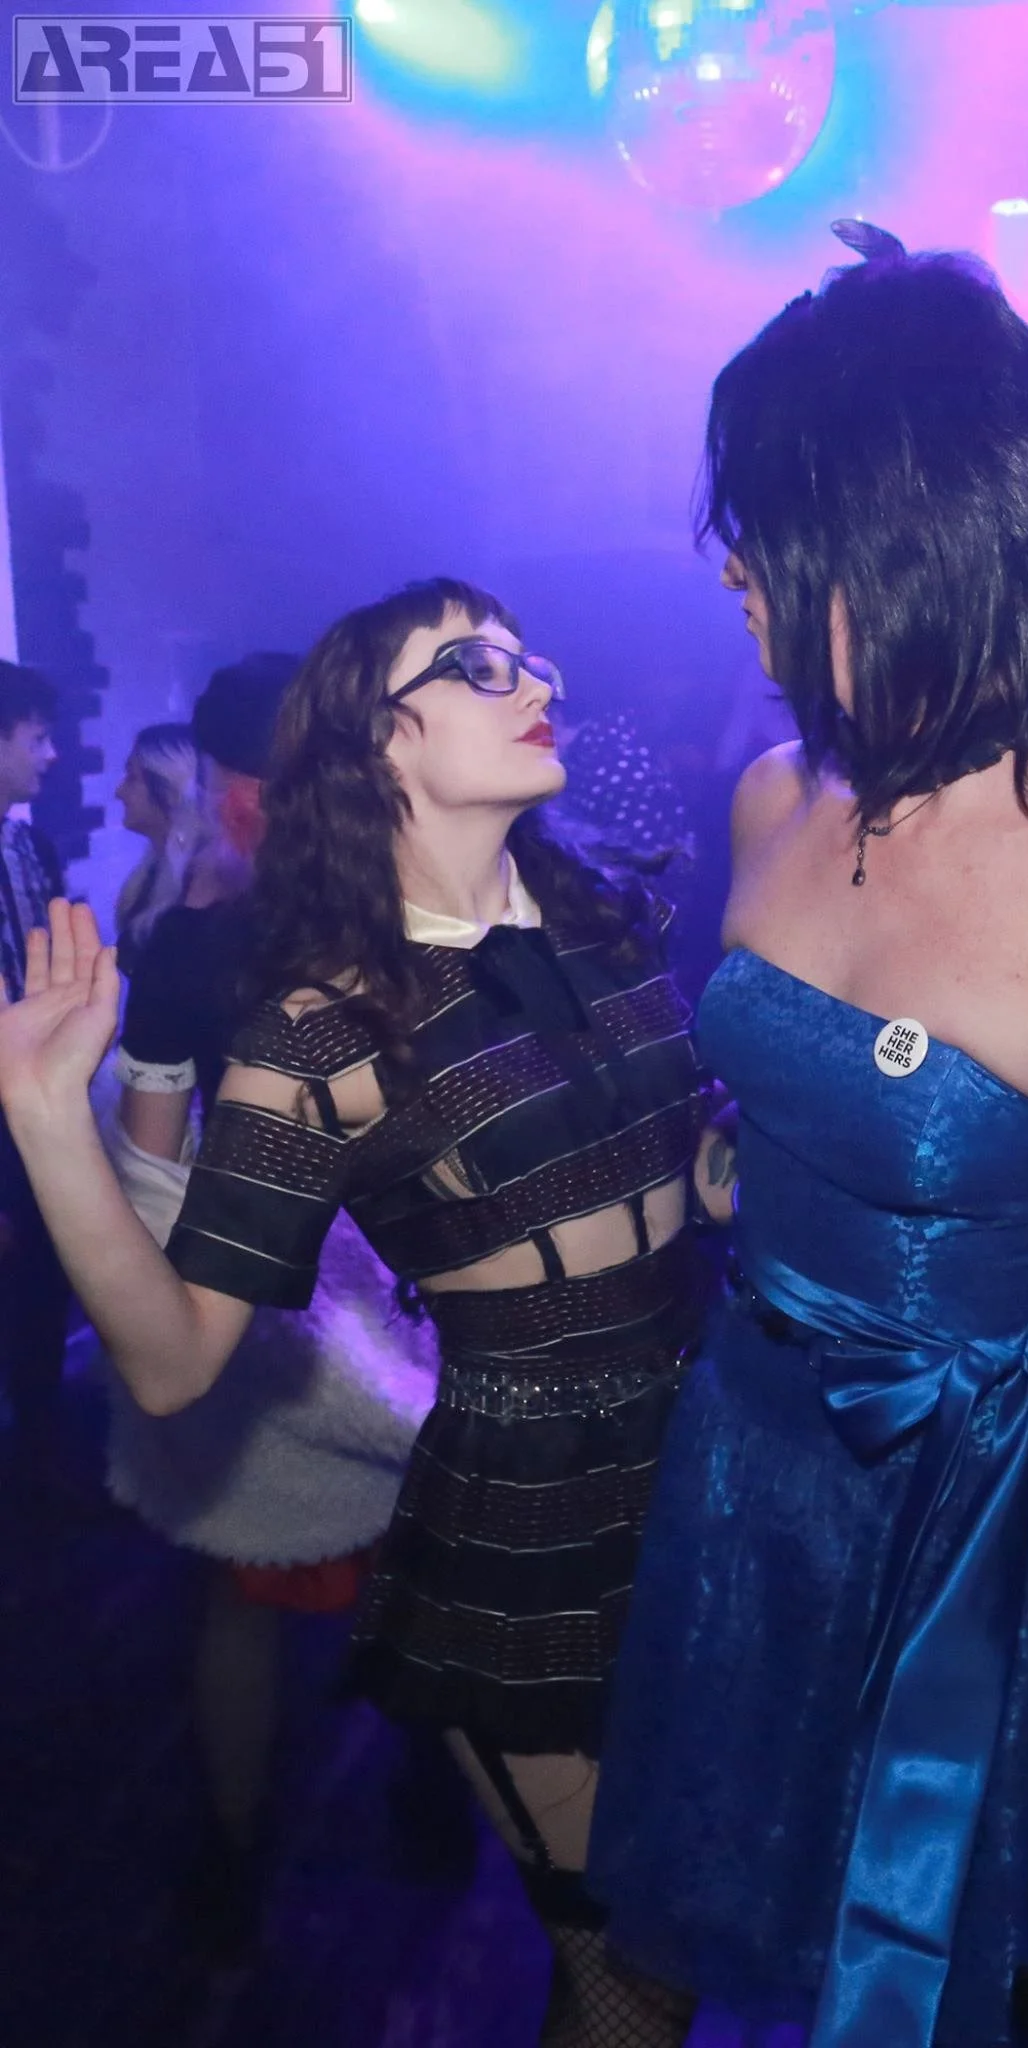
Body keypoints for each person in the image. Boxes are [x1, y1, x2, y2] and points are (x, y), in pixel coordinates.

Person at [588, 229, 1028, 2048]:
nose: (731, 570)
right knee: (693, 1938)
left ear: (902, 535)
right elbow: (794, 1102)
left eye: (768, 529)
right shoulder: (776, 794)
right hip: (754, 1476)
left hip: (991, 1540)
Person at [0, 576, 711, 2048]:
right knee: (628, 1969)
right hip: (526, 1512)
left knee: (690, 1926)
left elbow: (691, 1180)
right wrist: (50, 1118)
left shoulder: (606, 921)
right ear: (380, 738)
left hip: (705, 1462)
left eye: (528, 657)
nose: (537, 681)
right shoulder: (320, 1027)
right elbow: (173, 1361)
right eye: (479, 666)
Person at [107, 653, 438, 1962]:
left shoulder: (201, 945)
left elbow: (151, 1169)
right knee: (409, 1563)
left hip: (255, 1284)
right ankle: (421, 1795)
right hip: (364, 1295)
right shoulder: (416, 922)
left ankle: (236, 1853)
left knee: (248, 1589)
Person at [0, 658, 69, 1473]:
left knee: (39, 1290)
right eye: (37, 737)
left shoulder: (30, 844)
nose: (49, 755)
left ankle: (43, 1465)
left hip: (37, 1105)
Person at [111, 721, 206, 974]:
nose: (119, 792)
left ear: (170, 790)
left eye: (132, 778)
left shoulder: (202, 882)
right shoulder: (152, 872)